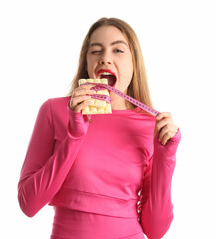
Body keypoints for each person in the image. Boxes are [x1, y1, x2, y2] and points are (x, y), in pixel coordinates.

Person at [18, 17, 181, 239]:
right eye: (96, 51)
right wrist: (74, 136)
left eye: (118, 51)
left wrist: (166, 157)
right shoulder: (54, 111)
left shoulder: (151, 126)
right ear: (86, 62)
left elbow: (155, 230)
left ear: (134, 63)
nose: (105, 58)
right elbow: (28, 204)